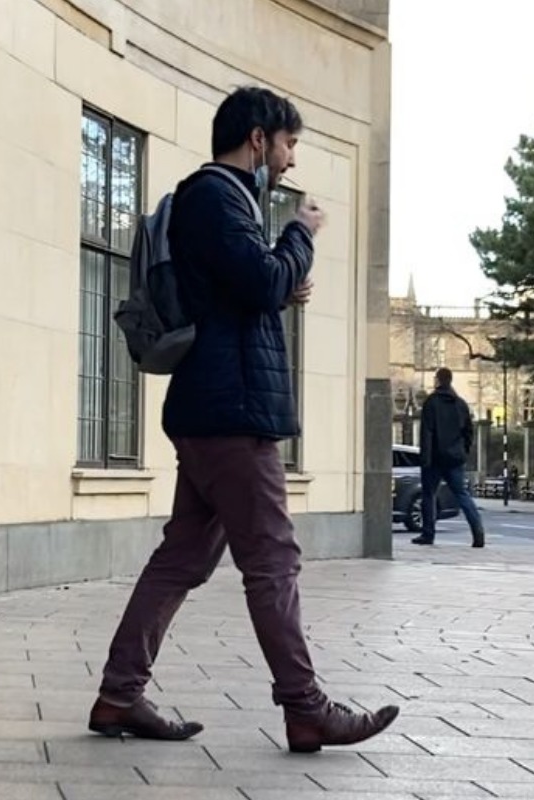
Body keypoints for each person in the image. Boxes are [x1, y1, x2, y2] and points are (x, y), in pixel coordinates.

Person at [88, 86, 399, 753]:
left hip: (212, 405)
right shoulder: (217, 195)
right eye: (288, 145)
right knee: (273, 559)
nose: (289, 162)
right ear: (258, 139)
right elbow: (258, 283)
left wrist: (283, 273)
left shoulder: (223, 201)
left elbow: (249, 287)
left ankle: (119, 693)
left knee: (184, 557)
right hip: (230, 413)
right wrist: (299, 237)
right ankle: (306, 706)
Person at [413, 367, 485, 547]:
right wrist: (464, 451)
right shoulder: (460, 404)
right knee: (462, 495)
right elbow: (469, 431)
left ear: (438, 381)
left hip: (435, 458)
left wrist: (425, 459)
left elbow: (427, 433)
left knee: (429, 495)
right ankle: (478, 532)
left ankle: (428, 534)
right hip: (455, 458)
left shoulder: (431, 403)